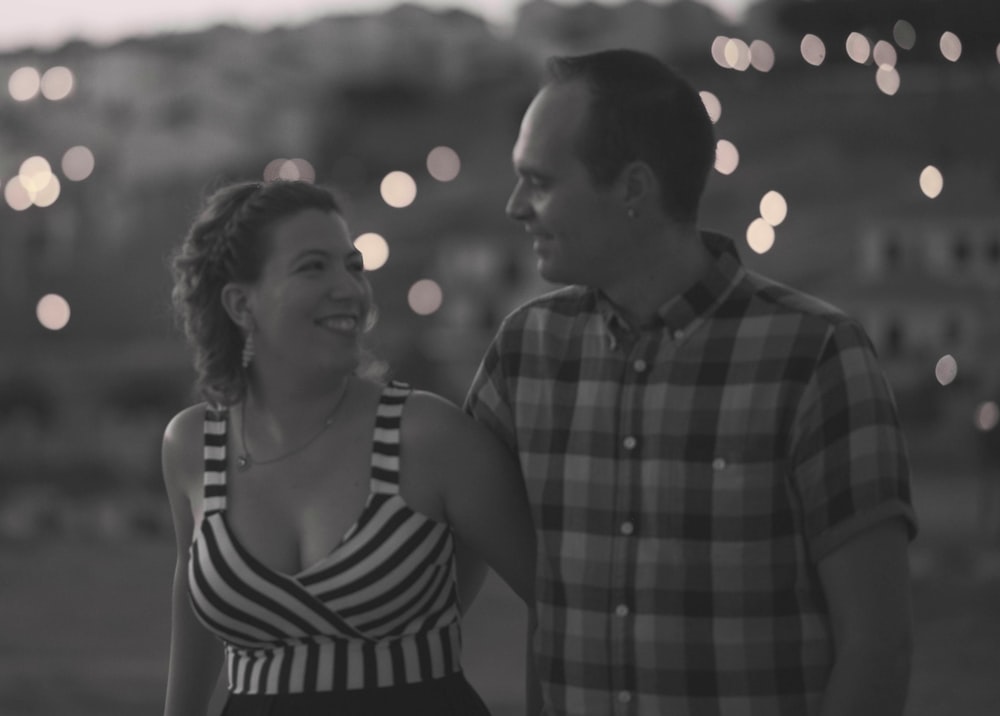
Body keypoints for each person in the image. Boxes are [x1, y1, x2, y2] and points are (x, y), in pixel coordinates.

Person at [465, 49, 918, 716]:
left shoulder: (815, 354)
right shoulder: (526, 352)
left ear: (633, 189)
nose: (514, 208)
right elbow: (435, 547)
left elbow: (876, 644)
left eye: (538, 181)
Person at [162, 178, 535, 716]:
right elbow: (194, 617)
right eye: (314, 266)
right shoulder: (191, 445)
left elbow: (561, 607)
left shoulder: (431, 435)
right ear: (241, 303)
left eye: (354, 266)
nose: (351, 288)